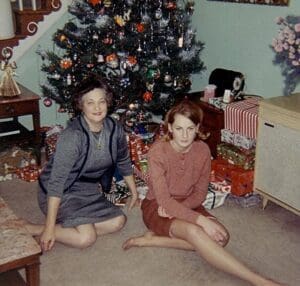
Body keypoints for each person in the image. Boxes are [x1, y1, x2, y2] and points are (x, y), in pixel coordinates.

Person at [123, 99, 284, 286]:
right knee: (197, 231)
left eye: (190, 129)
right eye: (179, 128)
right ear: (169, 128)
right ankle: (259, 281)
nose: (184, 135)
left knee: (222, 238)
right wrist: (201, 220)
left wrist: (184, 211)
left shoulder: (203, 150)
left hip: (188, 203)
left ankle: (154, 240)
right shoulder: (157, 152)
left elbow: (199, 194)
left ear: (197, 128)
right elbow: (165, 201)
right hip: (157, 206)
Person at [24, 78, 138, 251]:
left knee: (118, 221)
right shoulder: (73, 136)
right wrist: (48, 228)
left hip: (87, 190)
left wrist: (134, 191)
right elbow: (57, 183)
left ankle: (72, 225)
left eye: (101, 101)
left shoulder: (115, 129)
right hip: (60, 191)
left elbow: (123, 160)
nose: (97, 108)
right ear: (81, 106)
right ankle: (35, 228)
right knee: (86, 238)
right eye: (90, 103)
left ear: (107, 102)